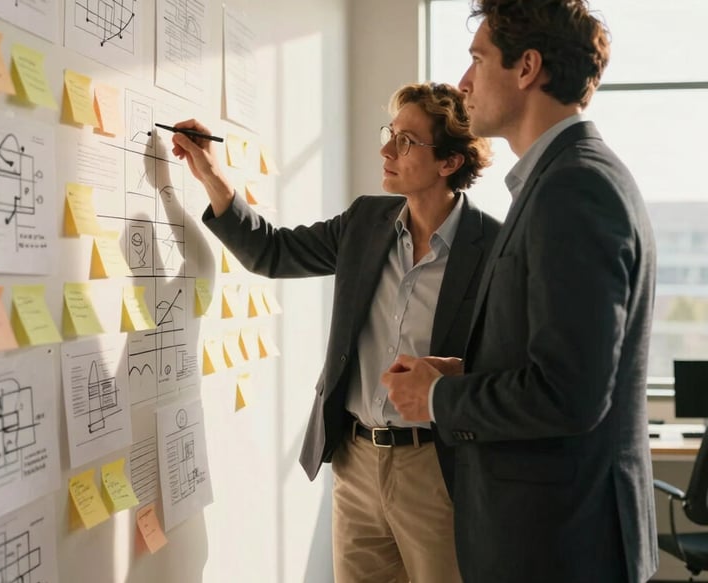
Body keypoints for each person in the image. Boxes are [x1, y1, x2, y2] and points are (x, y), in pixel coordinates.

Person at [169, 82, 500, 583]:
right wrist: (213, 176)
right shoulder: (366, 221)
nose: (386, 149)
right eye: (391, 133)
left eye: (407, 141)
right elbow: (273, 253)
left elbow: (510, 364)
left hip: (440, 468)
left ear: (449, 162)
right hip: (357, 460)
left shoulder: (494, 247)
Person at [381, 2, 658, 583]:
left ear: (527, 67)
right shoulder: (560, 180)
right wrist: (465, 374)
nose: (463, 82)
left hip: (558, 545)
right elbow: (554, 359)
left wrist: (438, 401)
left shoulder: (575, 187)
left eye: (478, 59)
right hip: (550, 534)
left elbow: (569, 393)